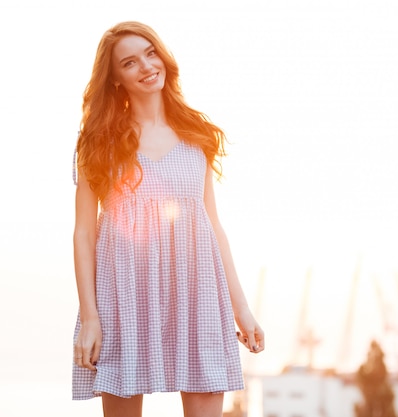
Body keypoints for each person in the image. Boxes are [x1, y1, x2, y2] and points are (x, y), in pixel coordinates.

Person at [71, 21, 264, 417]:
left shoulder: (198, 135)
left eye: (150, 52)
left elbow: (212, 226)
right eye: (129, 62)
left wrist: (241, 309)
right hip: (123, 293)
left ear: (163, 56)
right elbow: (84, 233)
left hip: (198, 291)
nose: (145, 66)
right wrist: (90, 316)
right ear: (115, 79)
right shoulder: (99, 141)